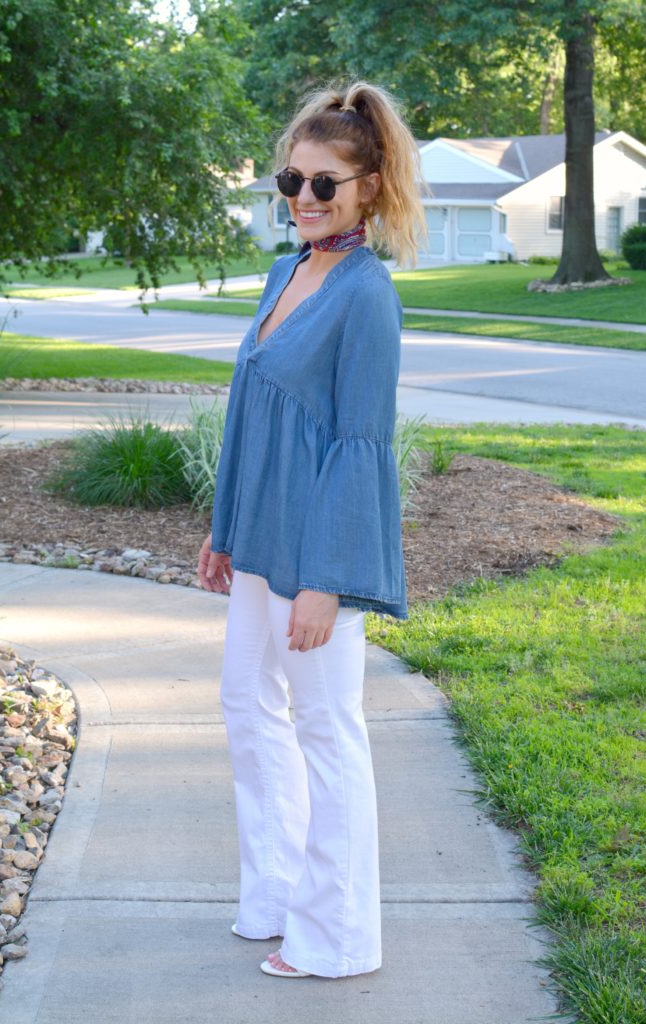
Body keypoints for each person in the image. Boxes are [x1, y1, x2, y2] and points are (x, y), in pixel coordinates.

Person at [197, 79, 428, 980]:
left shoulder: (367, 297)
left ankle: (336, 938)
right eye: (291, 179)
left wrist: (326, 579)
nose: (302, 198)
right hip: (257, 538)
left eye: (324, 183)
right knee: (245, 703)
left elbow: (359, 445)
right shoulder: (286, 270)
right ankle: (276, 896)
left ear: (367, 187)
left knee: (327, 728)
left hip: (314, 550)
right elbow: (252, 411)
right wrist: (223, 527)